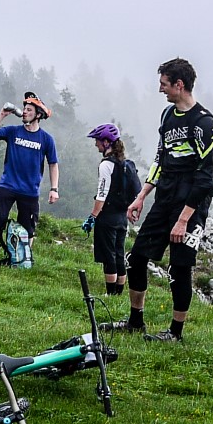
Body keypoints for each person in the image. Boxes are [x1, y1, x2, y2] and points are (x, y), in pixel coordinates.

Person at [122, 59, 213, 341]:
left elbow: (205, 178)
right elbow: (161, 158)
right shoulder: (168, 116)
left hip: (190, 202)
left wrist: (183, 221)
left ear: (179, 85)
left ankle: (176, 333)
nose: (160, 90)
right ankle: (135, 322)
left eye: (164, 84)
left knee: (180, 267)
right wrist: (141, 196)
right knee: (137, 257)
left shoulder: (204, 123)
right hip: (165, 195)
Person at [0, 92, 60, 266]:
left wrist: (54, 189)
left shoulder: (46, 139)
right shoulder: (13, 131)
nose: (24, 112)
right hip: (7, 185)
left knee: (28, 227)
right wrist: (2, 114)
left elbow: (53, 164)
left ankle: (25, 259)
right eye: (24, 108)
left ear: (38, 115)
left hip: (30, 190)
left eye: (29, 109)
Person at [81, 124, 138, 297]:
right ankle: (119, 293)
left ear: (106, 142)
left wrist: (92, 217)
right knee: (119, 254)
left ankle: (110, 293)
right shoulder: (125, 164)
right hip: (122, 217)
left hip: (107, 217)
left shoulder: (106, 165)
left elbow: (101, 194)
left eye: (97, 141)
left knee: (108, 256)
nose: (96, 145)